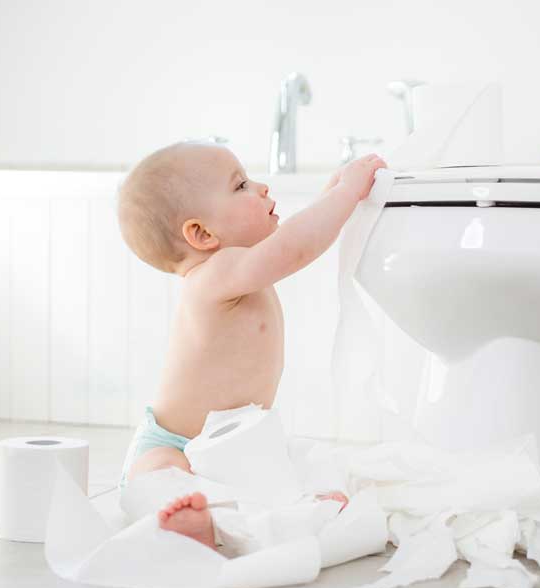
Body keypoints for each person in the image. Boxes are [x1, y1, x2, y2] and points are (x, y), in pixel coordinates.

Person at [116, 142, 386, 548]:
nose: (261, 188)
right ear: (202, 234)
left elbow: (298, 235)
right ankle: (183, 515)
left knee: (301, 457)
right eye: (240, 185)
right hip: (177, 446)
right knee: (156, 476)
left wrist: (332, 195)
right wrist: (346, 194)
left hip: (239, 445)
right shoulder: (213, 275)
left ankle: (262, 505)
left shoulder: (239, 268)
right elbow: (295, 247)